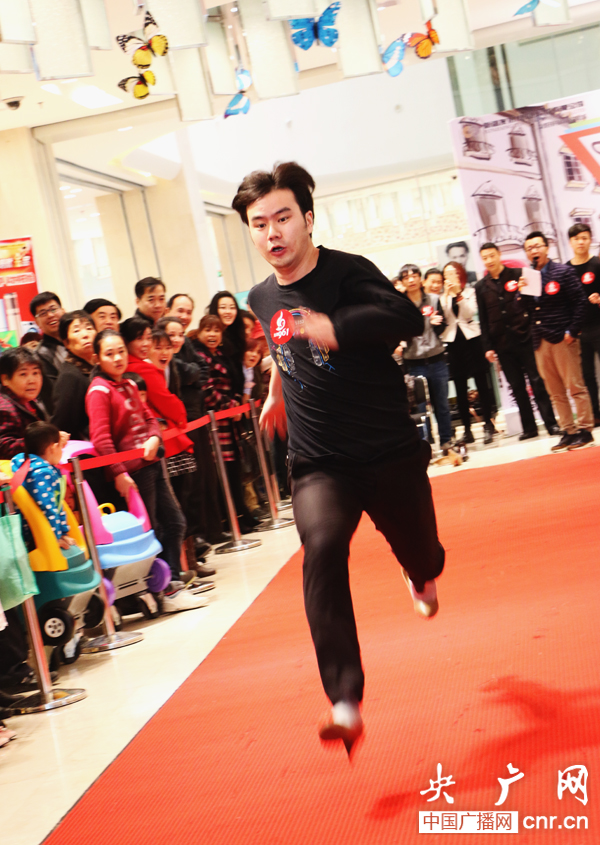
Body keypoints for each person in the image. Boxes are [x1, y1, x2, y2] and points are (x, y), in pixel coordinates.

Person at [232, 161, 445, 754]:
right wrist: (277, 389)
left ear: (307, 218)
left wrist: (335, 326)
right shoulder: (260, 296)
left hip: (389, 450)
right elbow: (282, 342)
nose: (272, 233)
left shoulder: (349, 271)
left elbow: (405, 317)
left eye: (282, 218)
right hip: (320, 462)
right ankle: (344, 699)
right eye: (259, 224)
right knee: (322, 550)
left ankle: (419, 571)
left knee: (424, 555)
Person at [86, 330, 188, 586]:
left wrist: (154, 437)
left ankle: (172, 583)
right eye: (109, 354)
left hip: (152, 464)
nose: (117, 358)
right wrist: (119, 472)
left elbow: (150, 418)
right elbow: (100, 439)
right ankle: (161, 589)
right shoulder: (99, 390)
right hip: (132, 473)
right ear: (97, 358)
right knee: (150, 531)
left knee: (175, 523)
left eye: (121, 351)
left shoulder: (129, 384)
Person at [476, 243, 558, 440]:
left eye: (492, 256)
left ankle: (551, 424)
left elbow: (533, 304)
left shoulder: (519, 274)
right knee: (517, 387)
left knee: (538, 383)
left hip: (526, 338)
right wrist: (487, 347)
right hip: (502, 344)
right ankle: (529, 428)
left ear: (499, 255)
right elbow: (484, 320)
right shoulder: (480, 287)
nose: (489, 260)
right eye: (485, 258)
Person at [522, 231, 594, 451]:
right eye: (529, 248)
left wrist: (572, 330)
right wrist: (521, 292)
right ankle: (568, 431)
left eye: (537, 246)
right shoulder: (529, 276)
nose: (534, 251)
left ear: (546, 248)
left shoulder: (563, 272)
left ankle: (585, 430)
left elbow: (581, 302)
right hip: (540, 340)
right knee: (555, 391)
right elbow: (523, 309)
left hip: (563, 338)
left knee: (575, 386)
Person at [192, 315, 258, 534]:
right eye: (208, 330)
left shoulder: (220, 355)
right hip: (215, 421)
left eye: (216, 330)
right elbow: (206, 389)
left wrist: (235, 405)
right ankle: (230, 519)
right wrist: (230, 406)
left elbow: (235, 382)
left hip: (229, 420)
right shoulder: (199, 355)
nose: (212, 334)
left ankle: (241, 513)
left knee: (234, 468)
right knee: (222, 471)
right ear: (200, 332)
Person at [441, 261, 498, 445]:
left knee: (482, 383)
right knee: (460, 387)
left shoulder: (470, 292)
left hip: (473, 340)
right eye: (446, 274)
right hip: (453, 343)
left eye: (452, 273)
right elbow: (446, 318)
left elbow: (469, 313)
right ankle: (466, 429)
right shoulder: (442, 298)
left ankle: (488, 424)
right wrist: (448, 295)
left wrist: (458, 294)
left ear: (460, 274)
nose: (449, 277)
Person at [399, 264, 453, 449]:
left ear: (420, 279)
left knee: (442, 404)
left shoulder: (433, 299)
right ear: (402, 282)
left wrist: (438, 323)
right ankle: (424, 445)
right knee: (419, 408)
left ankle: (446, 441)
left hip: (436, 358)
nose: (411, 280)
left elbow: (443, 326)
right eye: (406, 277)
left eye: (414, 276)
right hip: (414, 362)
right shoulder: (400, 304)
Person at [11, 422, 73, 550]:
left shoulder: (24, 463)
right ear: (53, 448)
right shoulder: (42, 473)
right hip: (38, 538)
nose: (61, 452)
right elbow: (48, 508)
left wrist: (63, 533)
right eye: (61, 447)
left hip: (27, 533)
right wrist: (54, 538)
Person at [566, 223, 600, 425]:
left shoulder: (597, 263)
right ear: (570, 242)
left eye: (584, 238)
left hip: (599, 325)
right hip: (578, 330)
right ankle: (595, 414)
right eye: (577, 239)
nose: (581, 242)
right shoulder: (566, 270)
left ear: (590, 240)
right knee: (587, 375)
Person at [51, 310, 97, 440]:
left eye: (89, 328)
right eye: (76, 331)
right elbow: (62, 425)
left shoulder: (97, 367)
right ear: (66, 343)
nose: (85, 335)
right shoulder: (70, 376)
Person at [0, 347, 46, 459]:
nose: (32, 380)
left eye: (35, 373)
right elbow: (4, 447)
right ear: (5, 379)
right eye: (23, 374)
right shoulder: (5, 408)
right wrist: (45, 440)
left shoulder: (27, 399)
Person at [29, 292, 67, 415]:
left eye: (53, 309)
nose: (50, 315)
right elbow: (53, 399)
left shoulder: (77, 341)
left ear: (63, 311)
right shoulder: (40, 356)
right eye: (43, 313)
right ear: (36, 321)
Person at [207, 291, 246, 396]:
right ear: (215, 310)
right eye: (223, 307)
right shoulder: (209, 338)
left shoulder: (236, 336)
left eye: (232, 308)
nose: (228, 312)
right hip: (221, 398)